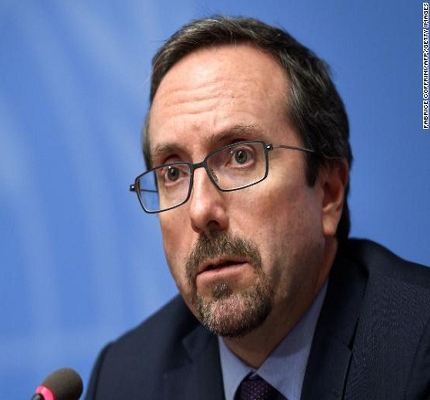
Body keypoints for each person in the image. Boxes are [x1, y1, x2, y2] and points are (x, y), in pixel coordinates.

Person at [85, 16, 430, 400]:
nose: (201, 211)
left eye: (240, 156)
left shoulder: (418, 349)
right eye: (173, 173)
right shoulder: (123, 380)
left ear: (329, 192)